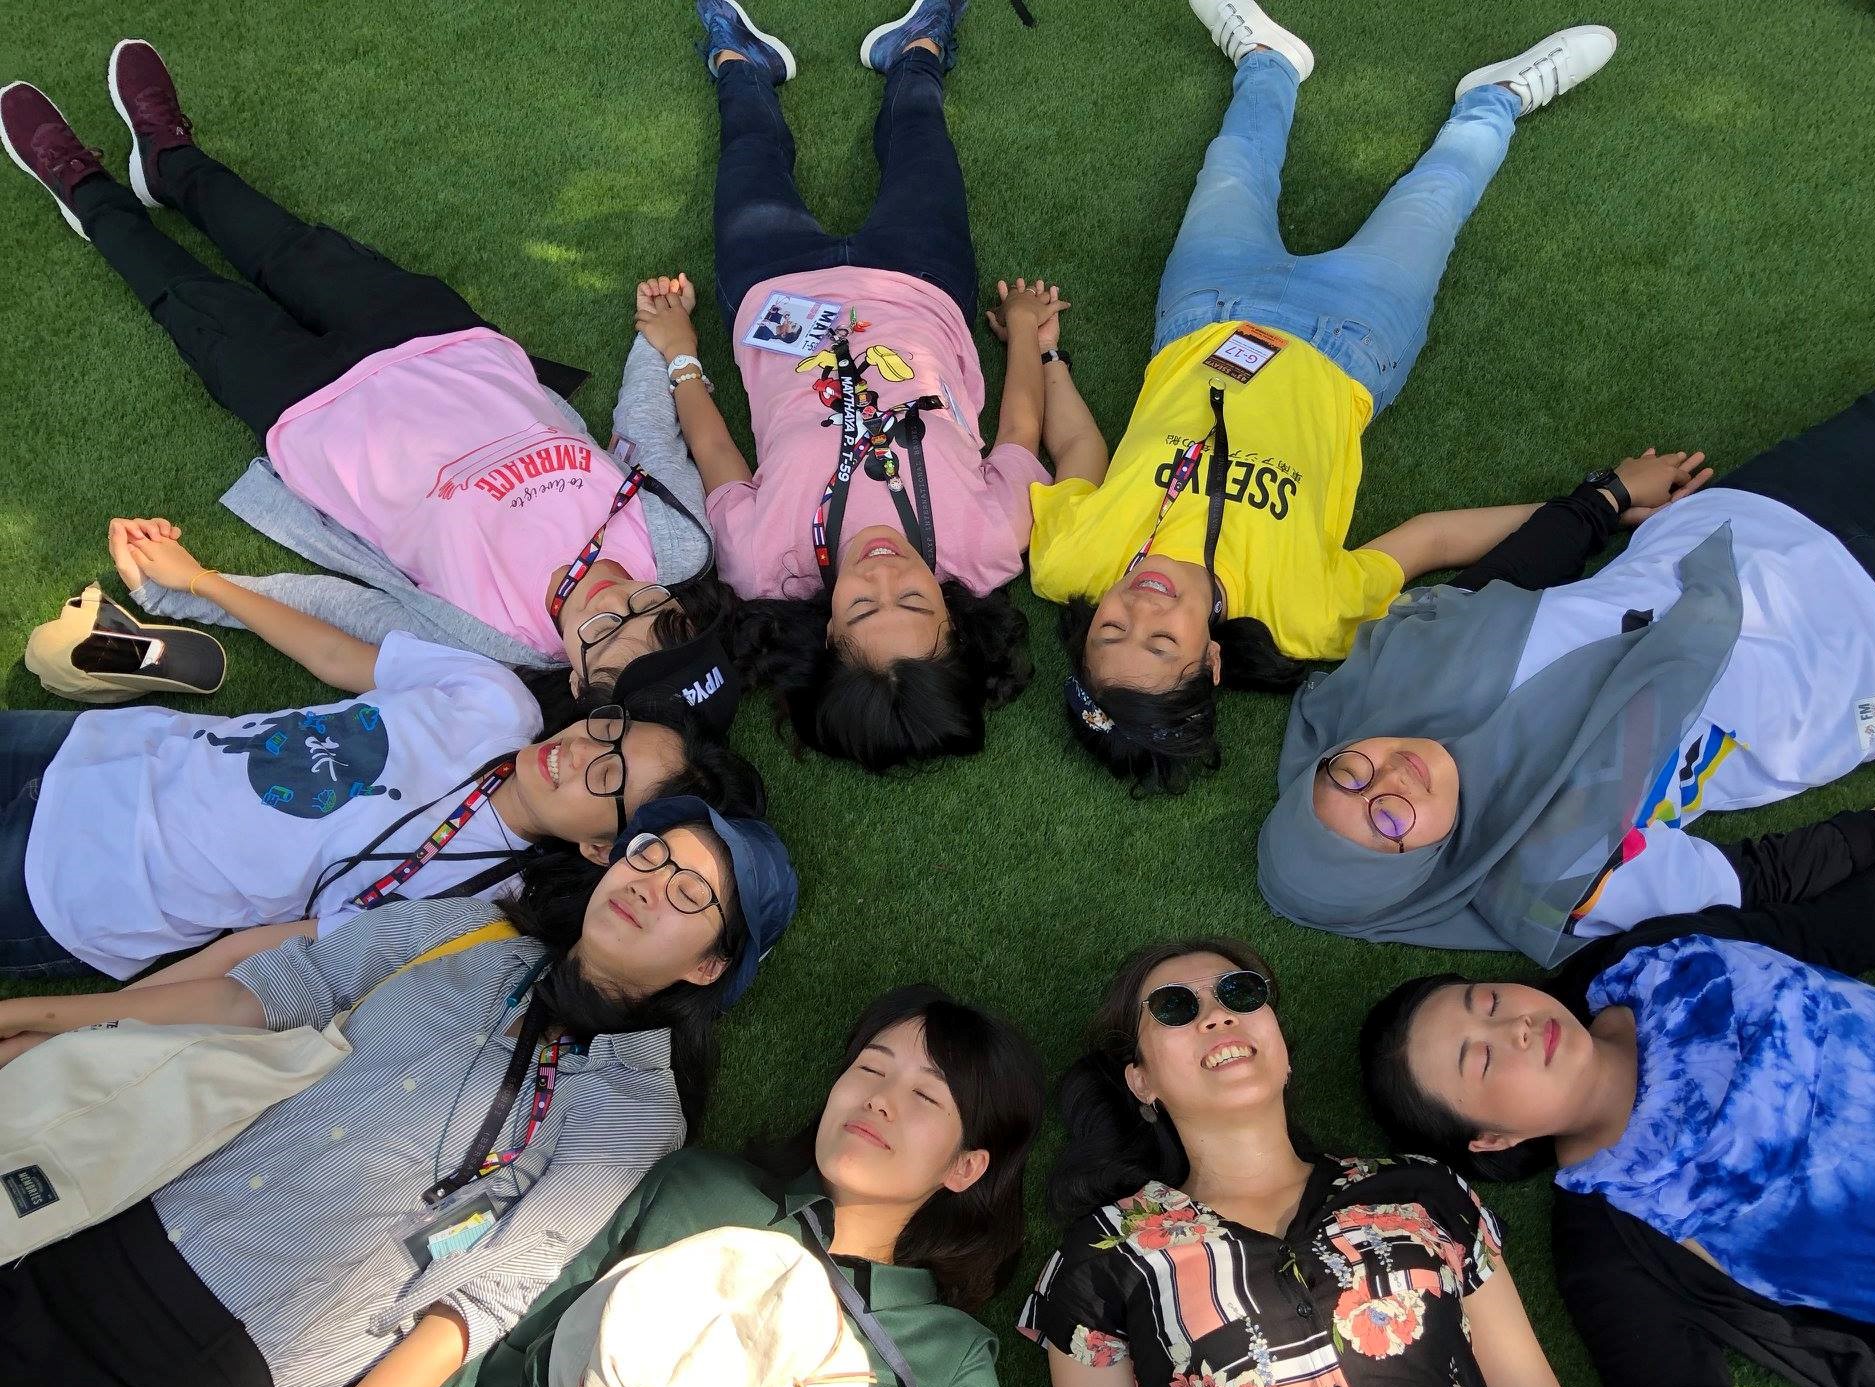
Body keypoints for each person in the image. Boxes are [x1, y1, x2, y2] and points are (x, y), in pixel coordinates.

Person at [0, 796, 796, 1387]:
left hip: (211, 1358)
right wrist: (32, 1014)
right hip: (105, 1217)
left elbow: (476, 1309)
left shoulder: (632, 1109)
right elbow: (268, 992)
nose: (650, 884)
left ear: (708, 967)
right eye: (650, 854)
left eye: (692, 893)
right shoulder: (469, 934)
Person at [1257, 290, 1875, 964]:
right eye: (1387, 821)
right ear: (1415, 873)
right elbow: (1762, 877)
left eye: (1347, 776)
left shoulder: (1403, 676)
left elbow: (1505, 578)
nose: (1389, 777)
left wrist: (1606, 497)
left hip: (1745, 525)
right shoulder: (1553, 876)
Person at [1357, 750, 1875, 1387]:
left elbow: (1827, 935)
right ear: (1494, 1139)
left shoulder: (1647, 962)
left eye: (1489, 1001)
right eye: (1479, 1060)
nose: (1514, 1028)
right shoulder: (1614, 1232)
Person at [0, 41, 730, 712]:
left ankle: (87, 192)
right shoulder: (677, 548)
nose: (618, 599)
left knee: (187, 296)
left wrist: (185, 591)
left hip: (313, 413)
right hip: (445, 348)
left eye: (604, 632)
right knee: (282, 243)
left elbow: (340, 612)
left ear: (575, 677)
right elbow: (648, 438)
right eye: (651, 609)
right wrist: (661, 338)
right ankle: (171, 161)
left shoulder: (489, 646)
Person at [1029, 2, 1625, 794]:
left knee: (1234, 164)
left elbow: (1077, 451)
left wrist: (1043, 351)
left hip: (1205, 311)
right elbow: (1430, 540)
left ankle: (1269, 61)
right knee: (1435, 197)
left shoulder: (1068, 562)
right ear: (1211, 663)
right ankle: (1498, 98)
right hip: (1352, 342)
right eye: (1162, 643)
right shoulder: (1304, 615)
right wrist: (1601, 502)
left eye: (1111, 631)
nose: (1141, 610)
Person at [249, 986, 1043, 1387]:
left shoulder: (942, 1358)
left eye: (925, 1096)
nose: (879, 1099)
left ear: (965, 1167)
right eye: (870, 1068)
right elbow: (501, 1372)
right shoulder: (699, 1191)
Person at [0, 522, 763, 981]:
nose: (579, 751)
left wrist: (90, 1025)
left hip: (79, 889)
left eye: (608, 775)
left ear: (601, 847)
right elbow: (338, 657)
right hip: (96, 750)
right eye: (607, 730)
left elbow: (265, 952)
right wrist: (201, 581)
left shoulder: (471, 903)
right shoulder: (498, 701)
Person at [1020, 938, 1630, 1387]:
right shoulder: (1105, 1256)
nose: (1217, 1016)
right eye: (1174, 1007)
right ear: (1141, 1081)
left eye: (1240, 993)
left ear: (1282, 1047)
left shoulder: (1425, 1192)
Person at [639, 0, 1063, 772]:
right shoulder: (992, 545)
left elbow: (716, 452)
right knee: (921, 137)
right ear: (955, 624)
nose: (883, 572)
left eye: (863, 606)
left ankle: (741, 65)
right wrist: (1029, 334)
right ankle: (917, 52)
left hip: (774, 293)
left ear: (827, 634)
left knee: (749, 147)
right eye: (915, 600)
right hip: (920, 285)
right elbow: (1020, 432)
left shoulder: (762, 564)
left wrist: (679, 353)